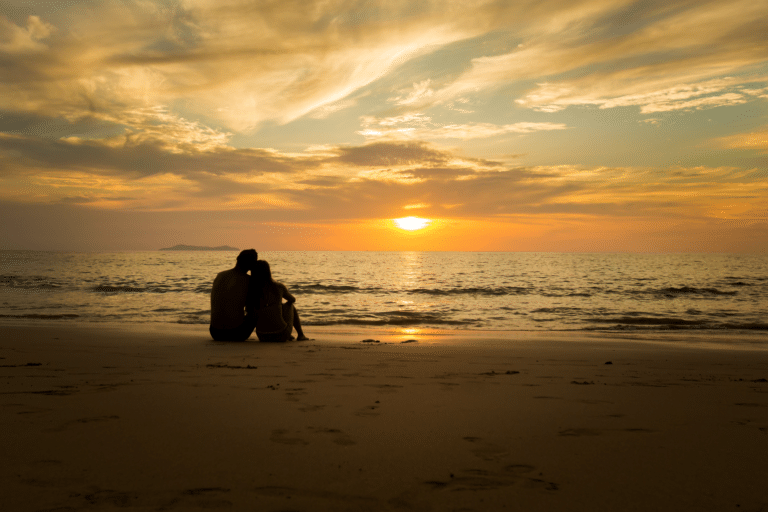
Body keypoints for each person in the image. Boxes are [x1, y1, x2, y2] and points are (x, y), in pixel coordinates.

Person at [251, 259, 308, 342]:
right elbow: (292, 299)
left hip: (262, 336)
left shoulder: (252, 290)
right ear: (268, 271)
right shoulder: (278, 286)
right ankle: (301, 335)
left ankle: (294, 332)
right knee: (290, 305)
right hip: (281, 334)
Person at [209, 249, 258, 342]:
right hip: (235, 333)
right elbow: (251, 308)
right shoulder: (248, 280)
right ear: (252, 265)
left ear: (237, 259)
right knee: (259, 309)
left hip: (215, 332)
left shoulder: (220, 275)